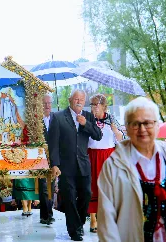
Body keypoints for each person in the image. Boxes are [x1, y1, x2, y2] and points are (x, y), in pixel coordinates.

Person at [97, 97, 166, 242]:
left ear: (157, 126)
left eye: (147, 123)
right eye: (135, 124)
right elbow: (106, 222)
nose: (142, 129)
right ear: (127, 128)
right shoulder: (113, 166)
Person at [48, 89, 102, 241]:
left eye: (82, 99)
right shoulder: (58, 117)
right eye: (76, 98)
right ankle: (75, 231)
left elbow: (98, 135)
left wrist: (86, 125)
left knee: (86, 194)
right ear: (70, 100)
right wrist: (55, 164)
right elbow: (53, 144)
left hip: (84, 165)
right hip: (65, 166)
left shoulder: (88, 116)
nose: (79, 101)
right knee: (70, 198)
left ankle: (78, 223)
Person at [87, 94, 124, 233]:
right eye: (92, 104)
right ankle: (93, 219)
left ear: (104, 106)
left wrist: (115, 130)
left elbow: (121, 139)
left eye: (96, 104)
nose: (94, 107)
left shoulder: (112, 119)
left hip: (108, 156)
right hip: (92, 155)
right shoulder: (88, 119)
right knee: (92, 187)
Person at [39, 93, 55, 225]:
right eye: (45, 103)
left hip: (54, 157)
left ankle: (48, 213)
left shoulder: (56, 118)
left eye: (49, 103)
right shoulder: (37, 121)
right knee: (44, 186)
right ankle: (46, 215)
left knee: (52, 185)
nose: (47, 105)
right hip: (41, 157)